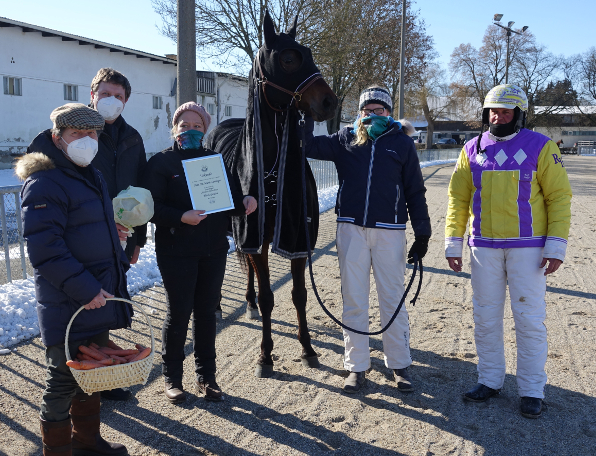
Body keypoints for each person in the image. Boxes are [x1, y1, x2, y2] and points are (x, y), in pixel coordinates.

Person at [445, 84, 572, 419]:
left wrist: (556, 245)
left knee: (528, 321)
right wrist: (453, 241)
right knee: (485, 319)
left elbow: (558, 197)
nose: (497, 117)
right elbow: (458, 199)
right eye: (492, 111)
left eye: (504, 111)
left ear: (519, 114)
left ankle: (532, 390)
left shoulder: (541, 147)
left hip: (528, 250)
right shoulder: (471, 149)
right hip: (483, 248)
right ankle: (489, 381)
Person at [17, 104, 131, 456]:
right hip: (69, 300)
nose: (87, 140)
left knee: (89, 375)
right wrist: (87, 290)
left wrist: (114, 237)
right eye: (78, 134)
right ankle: (58, 451)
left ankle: (87, 442)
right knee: (63, 380)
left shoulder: (89, 173)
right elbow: (45, 250)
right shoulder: (45, 182)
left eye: (93, 134)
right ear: (57, 138)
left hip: (95, 296)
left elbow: (80, 228)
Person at [302, 86, 432, 393]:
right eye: (367, 110)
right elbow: (305, 145)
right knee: (354, 300)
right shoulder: (344, 139)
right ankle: (356, 365)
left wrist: (423, 231)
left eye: (379, 110)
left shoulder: (402, 144)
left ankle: (399, 364)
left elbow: (415, 190)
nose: (372, 115)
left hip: (390, 231)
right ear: (360, 113)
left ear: (389, 113)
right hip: (351, 230)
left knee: (392, 300)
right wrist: (306, 115)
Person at [143, 102, 257, 403]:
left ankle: (207, 377)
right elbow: (152, 207)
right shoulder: (161, 163)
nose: (190, 130)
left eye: (197, 126)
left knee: (207, 313)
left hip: (213, 249)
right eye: (184, 125)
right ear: (174, 127)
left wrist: (245, 202)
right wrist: (181, 216)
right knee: (179, 313)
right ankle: (172, 378)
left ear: (204, 130)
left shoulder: (213, 160)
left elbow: (229, 201)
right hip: (175, 249)